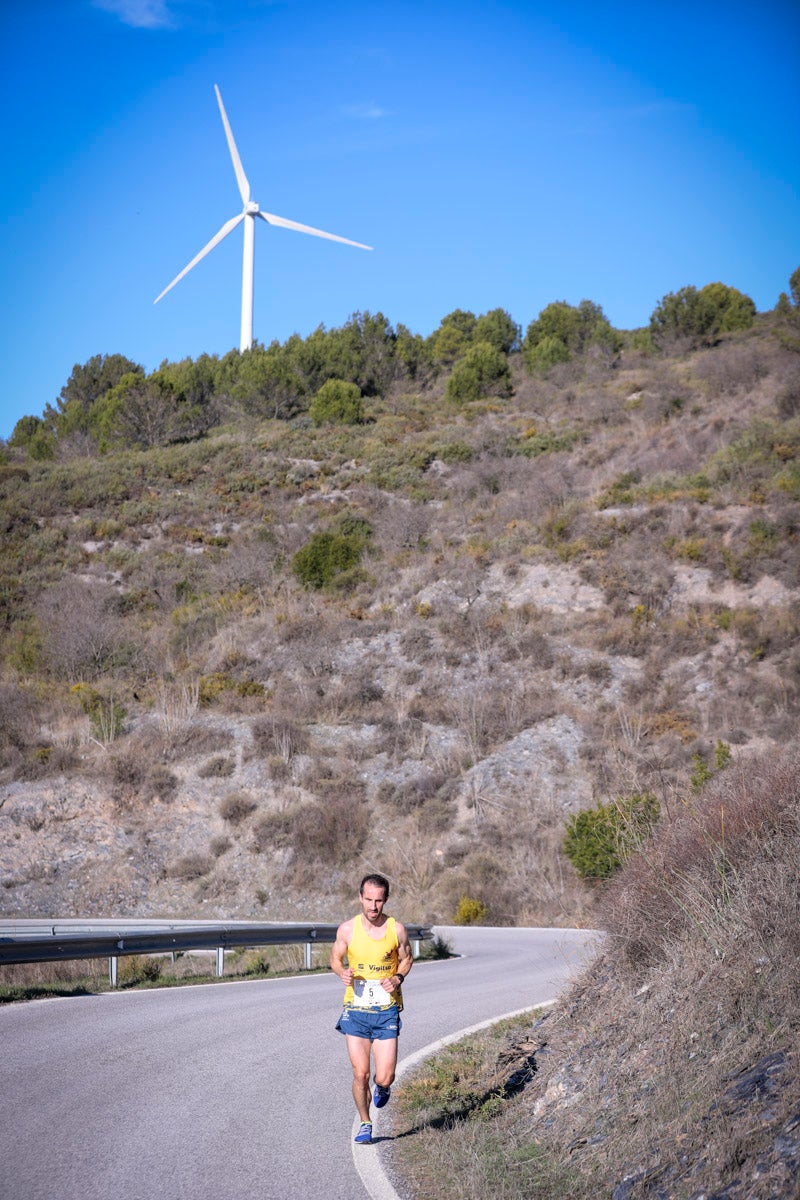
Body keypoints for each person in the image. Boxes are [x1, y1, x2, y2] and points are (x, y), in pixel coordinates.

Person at [330, 872, 413, 1145]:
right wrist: (342, 972)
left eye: (378, 901)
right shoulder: (347, 929)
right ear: (360, 898)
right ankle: (366, 1122)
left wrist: (397, 978)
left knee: (384, 1076)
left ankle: (383, 1087)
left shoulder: (396, 930)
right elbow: (335, 958)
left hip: (386, 1010)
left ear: (385, 900)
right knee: (360, 1074)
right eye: (368, 900)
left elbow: (407, 959)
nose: (373, 907)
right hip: (356, 1010)